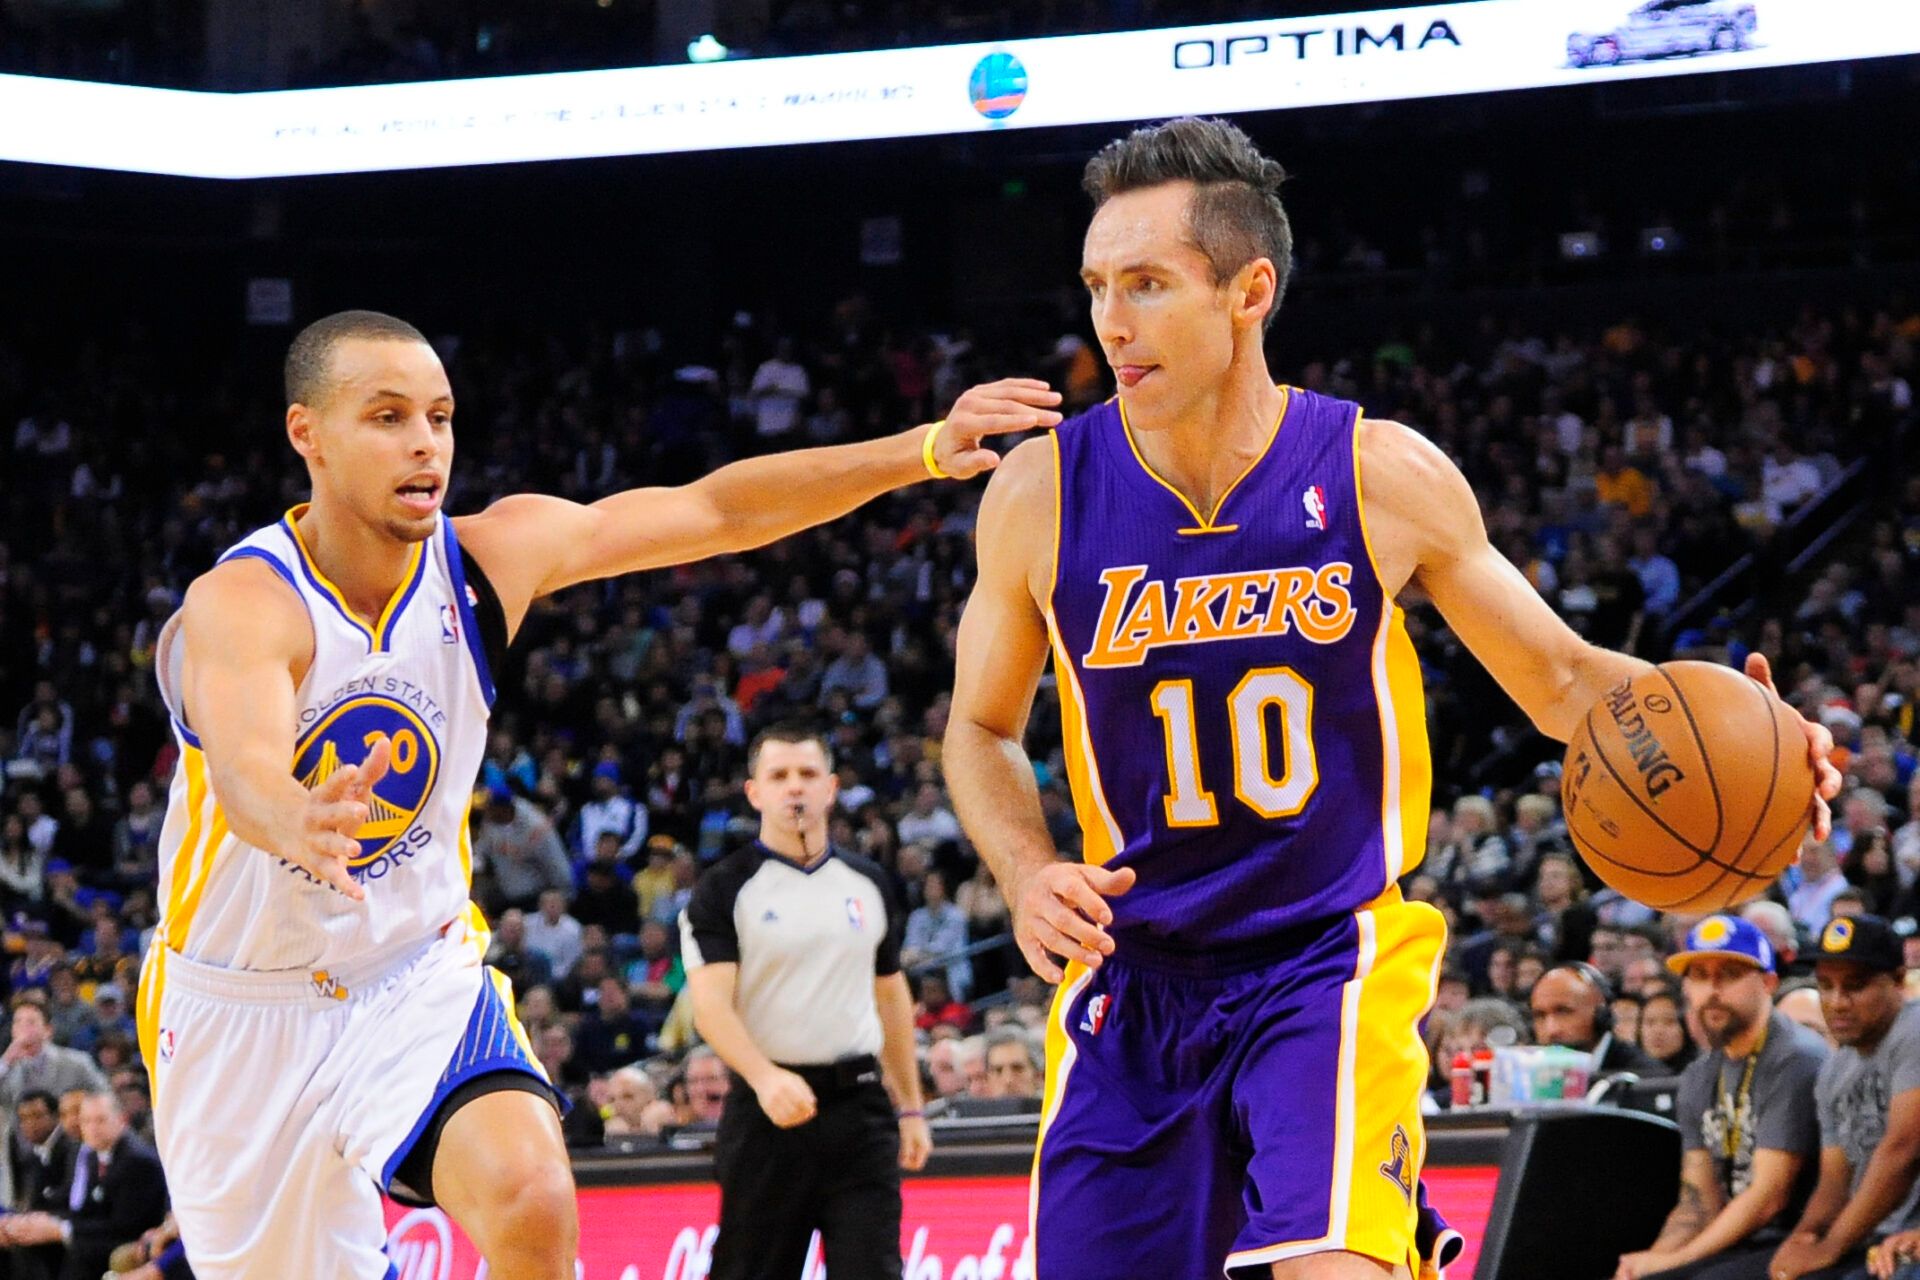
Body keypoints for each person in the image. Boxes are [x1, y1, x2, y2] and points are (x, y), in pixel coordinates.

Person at [941, 116, 1841, 1280]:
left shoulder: (1377, 472)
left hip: (1325, 959)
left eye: (1150, 283)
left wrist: (1754, 729)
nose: (1111, 320)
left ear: (1249, 289)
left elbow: (1566, 679)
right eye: (1100, 285)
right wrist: (1024, 868)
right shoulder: (1039, 492)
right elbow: (979, 727)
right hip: (1135, 975)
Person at [140, 310, 1053, 1279]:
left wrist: (918, 448)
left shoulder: (486, 560)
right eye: (387, 415)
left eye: (441, 416)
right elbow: (243, 766)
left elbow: (713, 510)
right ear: (307, 434)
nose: (424, 442)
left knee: (534, 1198)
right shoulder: (244, 598)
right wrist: (292, 812)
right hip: (238, 1011)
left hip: (410, 974)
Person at [683, 724, 932, 1280]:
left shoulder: (868, 882)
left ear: (831, 788)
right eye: (779, 776)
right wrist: (766, 1077)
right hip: (767, 1114)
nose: (794, 787)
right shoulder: (723, 888)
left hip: (860, 1111)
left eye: (807, 774)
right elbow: (711, 1008)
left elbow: (891, 995)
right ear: (754, 793)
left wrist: (910, 1105)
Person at [1613, 916, 1828, 1280]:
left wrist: (1672, 1263)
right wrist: (1646, 1264)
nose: (1711, 989)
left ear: (1768, 983)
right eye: (1699, 976)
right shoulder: (1700, 1075)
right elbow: (1698, 1202)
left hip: (1804, 1240)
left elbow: (1769, 1198)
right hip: (1746, 1243)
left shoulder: (1795, 1058)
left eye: (1728, 974)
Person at [1767, 916, 1920, 1280]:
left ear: (1898, 981)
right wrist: (1805, 1236)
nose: (1838, 1002)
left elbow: (1902, 1150)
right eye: (1825, 986)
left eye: (1855, 986)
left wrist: (1829, 1247)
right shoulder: (1834, 1070)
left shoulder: (1913, 1031)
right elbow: (1835, 1179)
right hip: (1874, 1237)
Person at [2, 1091, 169, 1280]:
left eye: (100, 1120)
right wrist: (44, 1221)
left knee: (76, 1252)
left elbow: (123, 1227)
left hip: (131, 1241)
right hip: (101, 1236)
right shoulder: (92, 1155)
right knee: (27, 1241)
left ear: (121, 1120)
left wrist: (63, 1230)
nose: (92, 1128)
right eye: (86, 1121)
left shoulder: (137, 1161)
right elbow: (84, 1211)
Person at [1531, 964, 1665, 1079]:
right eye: (1540, 1016)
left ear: (1601, 1015)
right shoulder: (1528, 1077)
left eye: (1564, 1012)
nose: (1551, 1030)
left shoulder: (1645, 1076)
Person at [0, 995, 107, 1112]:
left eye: (31, 1022)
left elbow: (105, 1095)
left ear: (48, 1030)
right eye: (17, 1022)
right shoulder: (7, 1068)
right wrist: (6, 1061)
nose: (22, 1027)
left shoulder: (77, 1063)